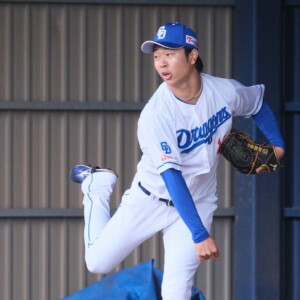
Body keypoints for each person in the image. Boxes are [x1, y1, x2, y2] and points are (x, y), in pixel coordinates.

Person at [70, 22, 285, 299]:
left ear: (192, 56)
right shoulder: (156, 114)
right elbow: (172, 178)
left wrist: (278, 144)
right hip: (150, 198)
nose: (161, 62)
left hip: (199, 200)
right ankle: (97, 185)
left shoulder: (224, 92)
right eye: (157, 55)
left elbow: (257, 103)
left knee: (177, 289)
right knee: (97, 262)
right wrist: (199, 234)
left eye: (170, 53)